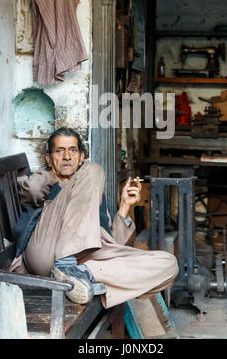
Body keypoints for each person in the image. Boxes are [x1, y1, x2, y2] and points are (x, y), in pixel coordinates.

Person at [12, 127, 179, 309]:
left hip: (84, 261)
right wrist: (53, 175)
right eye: (60, 151)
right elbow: (31, 191)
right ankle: (66, 266)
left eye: (73, 150)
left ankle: (84, 275)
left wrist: (124, 206)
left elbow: (110, 242)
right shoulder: (50, 181)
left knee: (168, 264)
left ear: (81, 156)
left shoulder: (89, 187)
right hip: (46, 252)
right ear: (49, 158)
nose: (67, 156)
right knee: (94, 169)